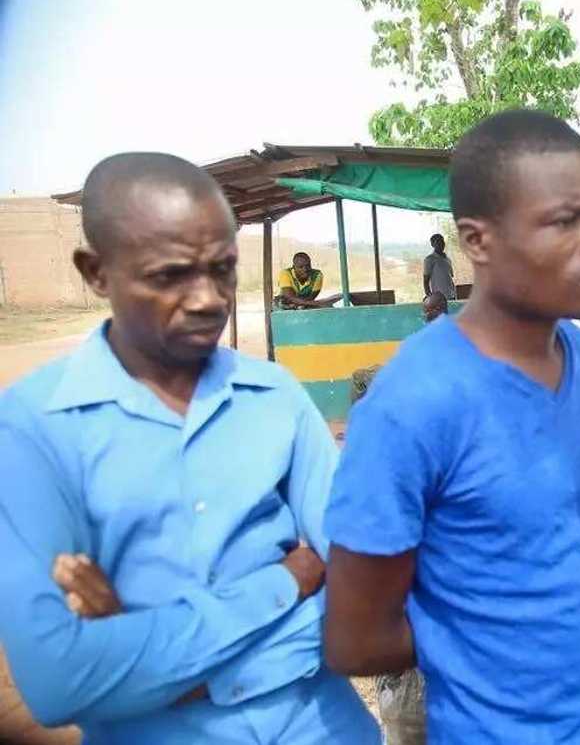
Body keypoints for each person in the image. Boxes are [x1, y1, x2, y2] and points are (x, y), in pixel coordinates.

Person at [0, 152, 381, 744]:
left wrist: (142, 645)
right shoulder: (31, 429)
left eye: (223, 269)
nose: (208, 299)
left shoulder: (276, 397)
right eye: (171, 274)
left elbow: (367, 592)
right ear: (96, 271)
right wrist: (286, 581)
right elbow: (61, 681)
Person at [322, 109, 580, 744]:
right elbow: (354, 638)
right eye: (566, 220)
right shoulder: (412, 405)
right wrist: (492, 641)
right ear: (477, 241)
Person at [422, 233, 457, 300]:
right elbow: (425, 281)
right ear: (432, 244)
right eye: (438, 241)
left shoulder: (447, 259)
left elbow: (449, 278)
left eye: (442, 241)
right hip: (439, 299)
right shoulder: (429, 259)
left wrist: (454, 294)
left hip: (451, 296)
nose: (441, 243)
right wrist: (430, 297)